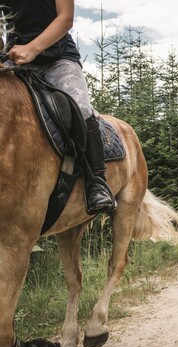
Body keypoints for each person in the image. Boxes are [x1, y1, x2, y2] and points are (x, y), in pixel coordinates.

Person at [1, 0, 116, 215]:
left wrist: (31, 49)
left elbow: (65, 18)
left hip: (58, 58)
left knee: (80, 107)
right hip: (15, 58)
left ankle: (97, 181)